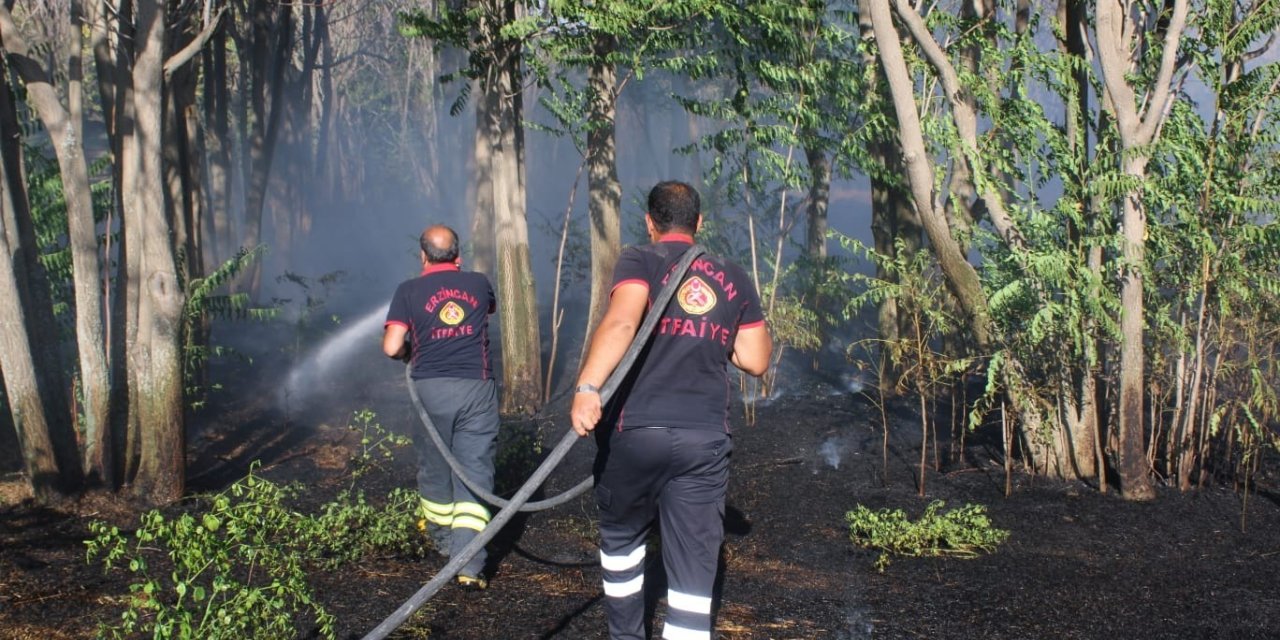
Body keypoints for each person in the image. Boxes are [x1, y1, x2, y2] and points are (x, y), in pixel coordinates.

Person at [570, 181, 773, 640]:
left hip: (635, 432)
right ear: (699, 224)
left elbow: (624, 320)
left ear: (649, 222)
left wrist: (587, 387)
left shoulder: (639, 259)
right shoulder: (733, 275)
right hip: (704, 441)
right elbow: (756, 361)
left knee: (622, 543)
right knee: (694, 572)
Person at [382, 224, 498, 590]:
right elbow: (486, 312)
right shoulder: (479, 283)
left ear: (422, 256)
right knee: (475, 473)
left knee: (434, 468)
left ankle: (444, 543)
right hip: (475, 391)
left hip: (430, 390)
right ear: (457, 254)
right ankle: (469, 565)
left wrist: (407, 350)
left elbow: (391, 347)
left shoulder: (408, 291)